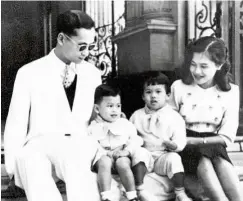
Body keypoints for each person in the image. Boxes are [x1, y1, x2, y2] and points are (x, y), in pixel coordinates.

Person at [4, 10, 102, 201]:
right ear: (61, 38)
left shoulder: (92, 74)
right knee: (29, 160)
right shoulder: (29, 72)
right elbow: (16, 123)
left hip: (77, 143)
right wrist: (11, 168)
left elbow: (96, 117)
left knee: (76, 161)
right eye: (82, 46)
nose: (87, 53)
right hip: (40, 143)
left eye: (91, 46)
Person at [169, 36, 243, 201]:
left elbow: (227, 136)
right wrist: (183, 141)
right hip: (183, 145)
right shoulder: (178, 87)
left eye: (204, 66)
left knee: (221, 162)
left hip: (213, 144)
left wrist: (198, 142)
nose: (196, 71)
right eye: (193, 64)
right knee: (204, 161)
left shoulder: (231, 92)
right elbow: (170, 124)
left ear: (219, 65)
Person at [88, 84, 158, 201]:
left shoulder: (124, 124)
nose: (115, 110)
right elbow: (91, 144)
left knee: (123, 162)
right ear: (97, 109)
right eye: (110, 106)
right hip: (103, 158)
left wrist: (126, 151)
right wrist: (104, 152)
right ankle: (106, 196)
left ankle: (132, 195)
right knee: (104, 161)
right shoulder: (93, 127)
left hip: (120, 155)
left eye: (118, 106)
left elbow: (136, 139)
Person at [130, 72, 192, 201]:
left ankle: (180, 192)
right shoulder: (137, 115)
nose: (153, 96)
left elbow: (180, 138)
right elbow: (130, 135)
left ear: (168, 96)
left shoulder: (174, 117)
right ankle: (140, 189)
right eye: (148, 92)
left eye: (158, 92)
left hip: (162, 156)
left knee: (174, 158)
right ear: (143, 96)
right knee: (139, 153)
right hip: (145, 156)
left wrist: (174, 145)